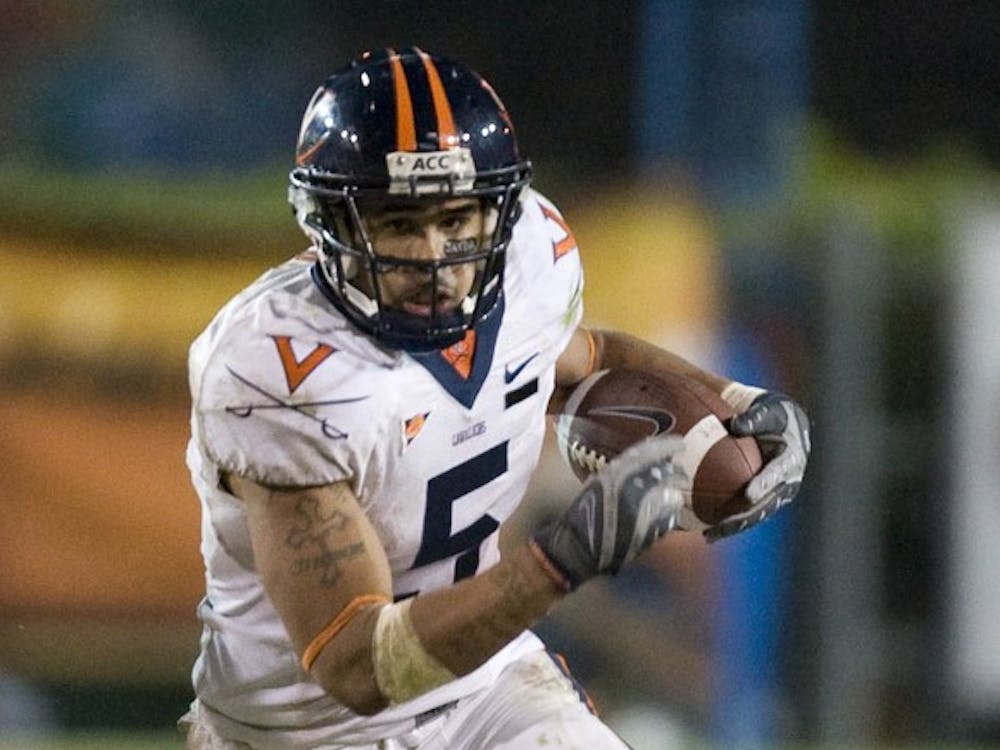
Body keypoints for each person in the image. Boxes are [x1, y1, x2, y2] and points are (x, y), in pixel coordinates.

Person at [179, 47, 810, 750]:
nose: (433, 256)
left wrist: (734, 403)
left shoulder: (529, 257)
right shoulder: (282, 370)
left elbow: (583, 358)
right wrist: (561, 558)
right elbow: (359, 663)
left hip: (482, 683)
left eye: (456, 221)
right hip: (306, 730)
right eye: (397, 223)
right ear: (330, 224)